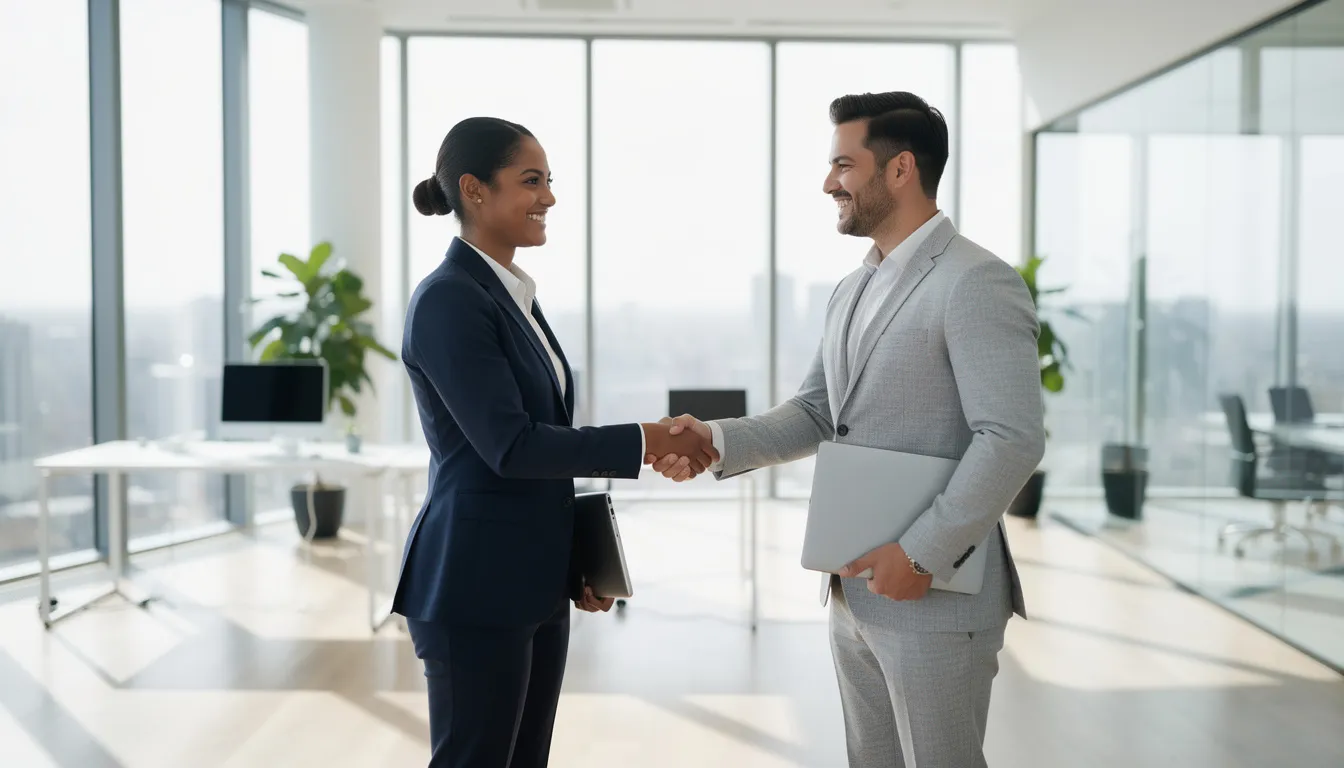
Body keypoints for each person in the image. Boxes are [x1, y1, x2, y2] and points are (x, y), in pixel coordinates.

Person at [648, 92, 1044, 767]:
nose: (829, 183)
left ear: (899, 170)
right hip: (853, 591)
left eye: (843, 164)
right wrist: (715, 438)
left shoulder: (975, 281)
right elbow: (816, 412)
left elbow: (1011, 438)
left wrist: (920, 552)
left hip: (935, 593)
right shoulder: (852, 289)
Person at [393, 116, 718, 768]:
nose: (549, 197)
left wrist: (572, 557)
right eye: (531, 180)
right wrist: (645, 440)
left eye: (549, 180)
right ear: (475, 190)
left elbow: (543, 443)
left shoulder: (512, 295)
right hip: (474, 582)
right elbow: (510, 447)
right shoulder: (449, 300)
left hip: (529, 580)